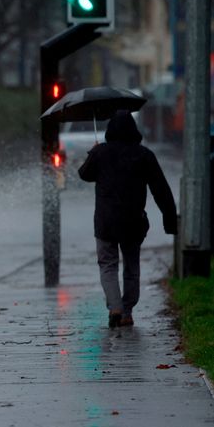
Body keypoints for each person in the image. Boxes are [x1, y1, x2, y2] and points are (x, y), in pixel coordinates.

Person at [78, 110, 177, 328]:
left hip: (105, 222)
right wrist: (170, 219)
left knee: (108, 265)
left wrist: (93, 153)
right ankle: (128, 311)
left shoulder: (101, 153)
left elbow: (84, 174)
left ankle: (115, 307)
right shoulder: (144, 155)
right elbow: (161, 190)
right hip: (133, 221)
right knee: (131, 265)